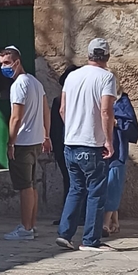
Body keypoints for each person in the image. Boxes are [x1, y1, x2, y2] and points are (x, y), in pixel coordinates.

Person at [56, 38, 117, 252]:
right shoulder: (107, 77)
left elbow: (62, 109)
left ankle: (65, 234)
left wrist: (73, 128)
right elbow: (106, 111)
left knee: (76, 189)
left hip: (71, 142)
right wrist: (108, 140)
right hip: (91, 144)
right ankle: (91, 239)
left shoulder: (72, 76)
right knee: (96, 192)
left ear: (89, 55)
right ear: (107, 56)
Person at [0, 46, 52, 240]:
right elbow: (46, 111)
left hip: (22, 142)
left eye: (6, 62)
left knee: (25, 186)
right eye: (1, 64)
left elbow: (16, 117)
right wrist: (46, 135)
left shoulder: (19, 85)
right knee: (32, 185)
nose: (4, 67)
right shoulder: (36, 83)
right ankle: (32, 224)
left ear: (17, 62)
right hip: (36, 140)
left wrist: (10, 142)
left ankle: (25, 228)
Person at [103, 75, 138, 237]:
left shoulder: (122, 101)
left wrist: (117, 122)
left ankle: (105, 223)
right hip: (99, 149)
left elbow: (131, 126)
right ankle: (115, 222)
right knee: (106, 186)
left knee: (113, 186)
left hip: (117, 150)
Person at [51, 65, 79, 226]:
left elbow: (54, 129)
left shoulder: (59, 101)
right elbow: (55, 127)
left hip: (64, 146)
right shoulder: (60, 101)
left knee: (71, 182)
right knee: (73, 182)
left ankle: (69, 217)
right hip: (69, 145)